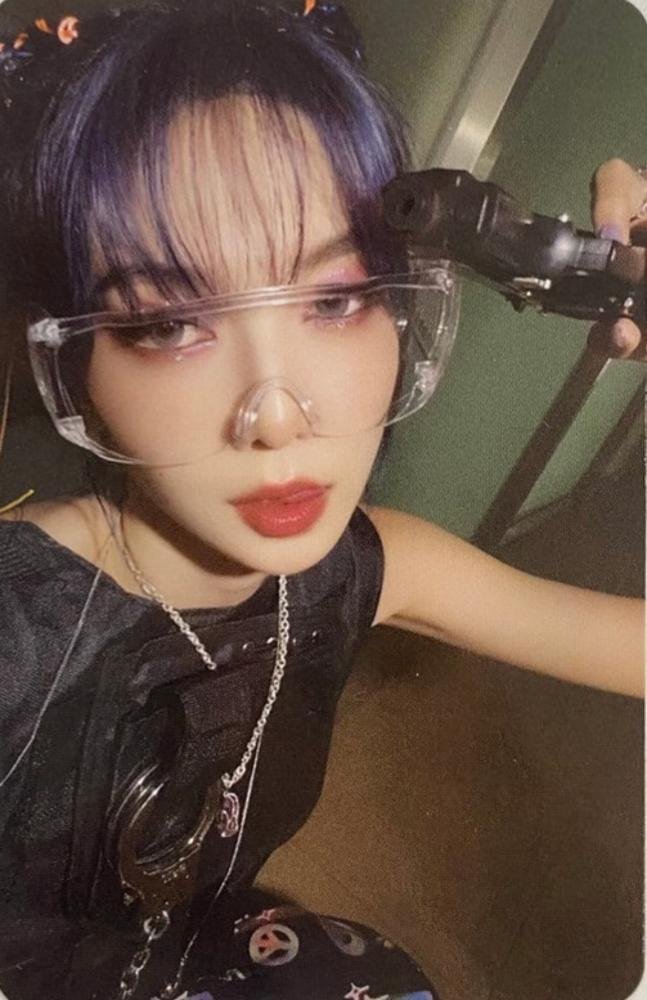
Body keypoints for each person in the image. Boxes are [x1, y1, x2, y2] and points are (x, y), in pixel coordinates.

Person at [0, 2, 642, 999]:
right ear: (73, 364)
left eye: (335, 300)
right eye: (168, 323)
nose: (274, 417)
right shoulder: (17, 624)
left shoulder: (375, 566)